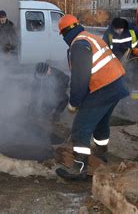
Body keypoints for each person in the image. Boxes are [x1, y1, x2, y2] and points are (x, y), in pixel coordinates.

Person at [55, 15, 129, 181]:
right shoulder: (89, 37)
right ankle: (101, 157)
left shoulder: (79, 45)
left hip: (103, 88)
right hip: (116, 85)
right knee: (101, 123)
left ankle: (79, 169)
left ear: (65, 33)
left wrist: (74, 103)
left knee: (81, 128)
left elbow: (80, 78)